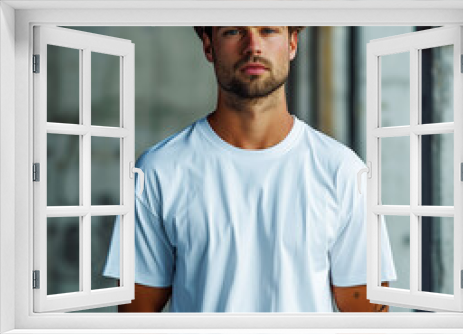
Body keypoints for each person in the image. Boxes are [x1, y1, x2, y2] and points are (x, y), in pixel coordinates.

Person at [103, 26, 396, 312]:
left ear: (292, 43)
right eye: (233, 31)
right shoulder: (158, 171)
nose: (253, 46)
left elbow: (367, 317)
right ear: (208, 45)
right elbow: (137, 317)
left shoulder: (342, 172)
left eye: (268, 30)